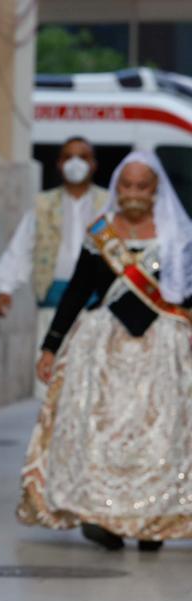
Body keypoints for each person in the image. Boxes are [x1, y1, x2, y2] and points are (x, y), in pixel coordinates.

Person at [17, 151, 192, 551]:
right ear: (117, 188)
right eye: (127, 186)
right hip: (104, 348)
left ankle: (153, 520)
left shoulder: (177, 235)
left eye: (142, 187)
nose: (133, 194)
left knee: (157, 433)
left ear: (155, 191)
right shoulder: (100, 233)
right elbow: (77, 290)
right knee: (103, 433)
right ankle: (104, 518)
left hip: (161, 349)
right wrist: (51, 346)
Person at [0, 137, 109, 397]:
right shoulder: (43, 205)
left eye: (82, 156)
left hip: (97, 307)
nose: (75, 163)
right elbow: (22, 246)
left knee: (93, 381)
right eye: (68, 156)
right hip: (54, 301)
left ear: (93, 164)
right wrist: (5, 287)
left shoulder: (108, 205)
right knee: (52, 379)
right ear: (59, 163)